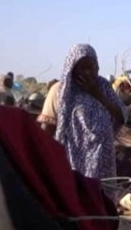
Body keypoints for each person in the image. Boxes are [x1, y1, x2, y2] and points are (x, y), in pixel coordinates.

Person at [54, 44, 126, 179]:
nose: (88, 72)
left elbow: (122, 116)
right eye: (83, 68)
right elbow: (53, 127)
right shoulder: (64, 91)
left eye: (92, 67)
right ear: (72, 67)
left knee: (102, 195)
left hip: (103, 158)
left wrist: (97, 94)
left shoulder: (103, 86)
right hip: (76, 160)